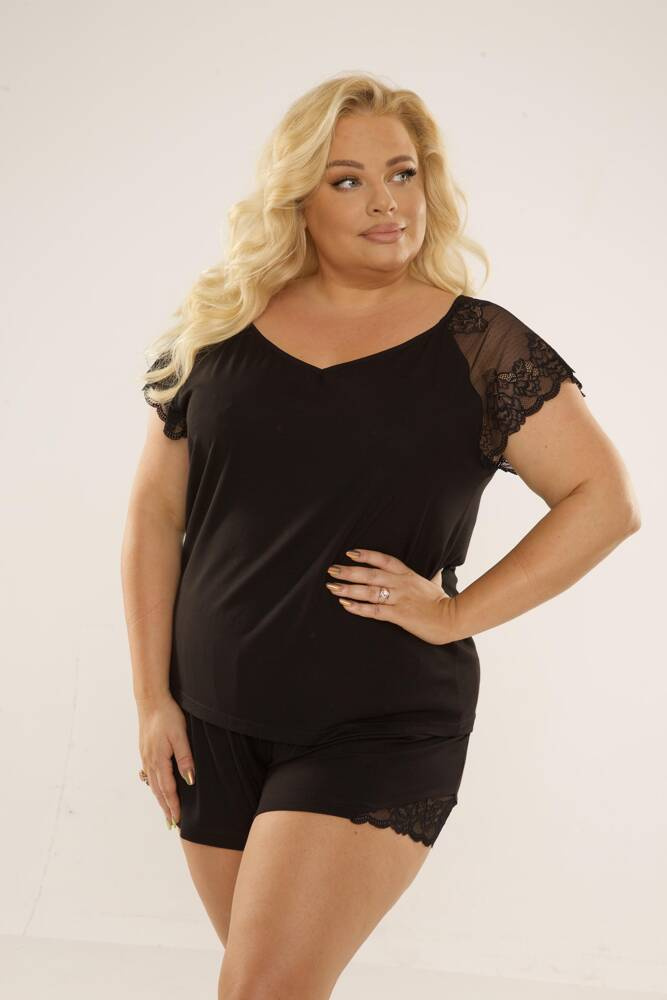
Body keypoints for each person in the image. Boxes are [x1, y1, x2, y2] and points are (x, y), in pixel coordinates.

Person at [120, 72, 641, 1000]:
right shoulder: (219, 327)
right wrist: (152, 698)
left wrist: (454, 614)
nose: (385, 202)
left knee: (261, 990)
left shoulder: (478, 345)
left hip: (375, 725)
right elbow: (156, 515)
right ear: (298, 196)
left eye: (401, 173)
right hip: (212, 721)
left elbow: (603, 499)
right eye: (347, 180)